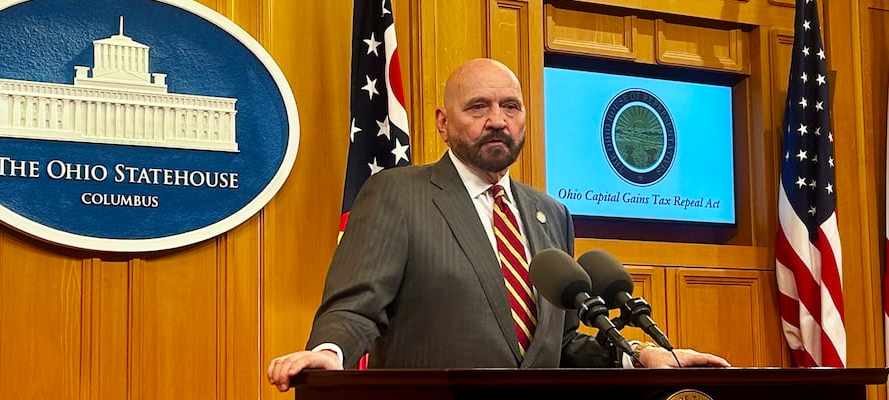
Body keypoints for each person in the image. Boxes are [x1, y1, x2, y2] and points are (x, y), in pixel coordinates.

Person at [268, 58, 729, 392]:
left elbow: (563, 342)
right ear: (443, 124)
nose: (497, 121)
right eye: (478, 108)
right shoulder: (398, 194)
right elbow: (356, 308)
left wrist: (638, 357)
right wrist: (328, 352)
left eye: (511, 107)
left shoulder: (551, 214)